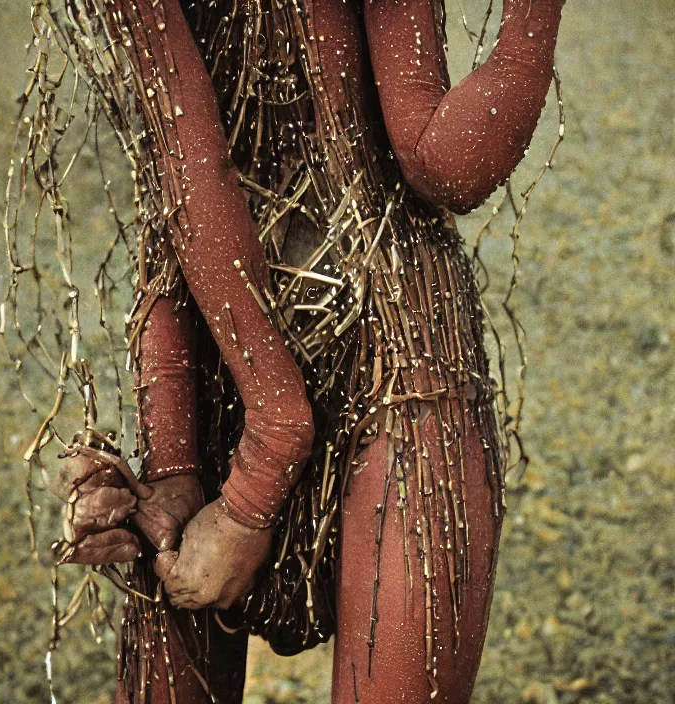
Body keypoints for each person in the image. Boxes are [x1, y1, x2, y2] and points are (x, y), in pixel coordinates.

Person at [55, 0, 566, 701]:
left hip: (404, 347)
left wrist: (534, 16)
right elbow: (182, 177)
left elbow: (440, 165)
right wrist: (184, 462)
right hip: (213, 349)